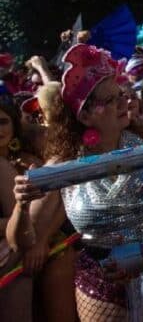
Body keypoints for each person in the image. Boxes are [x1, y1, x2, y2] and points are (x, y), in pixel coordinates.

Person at [11, 44, 143, 322]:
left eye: (122, 94)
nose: (125, 102)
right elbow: (23, 242)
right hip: (102, 280)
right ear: (85, 115)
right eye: (112, 100)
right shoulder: (65, 165)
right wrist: (20, 204)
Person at [1, 97, 77, 322]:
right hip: (15, 250)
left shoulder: (30, 158)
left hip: (42, 244)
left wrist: (43, 238)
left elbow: (66, 196)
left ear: (15, 125)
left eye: (3, 122)